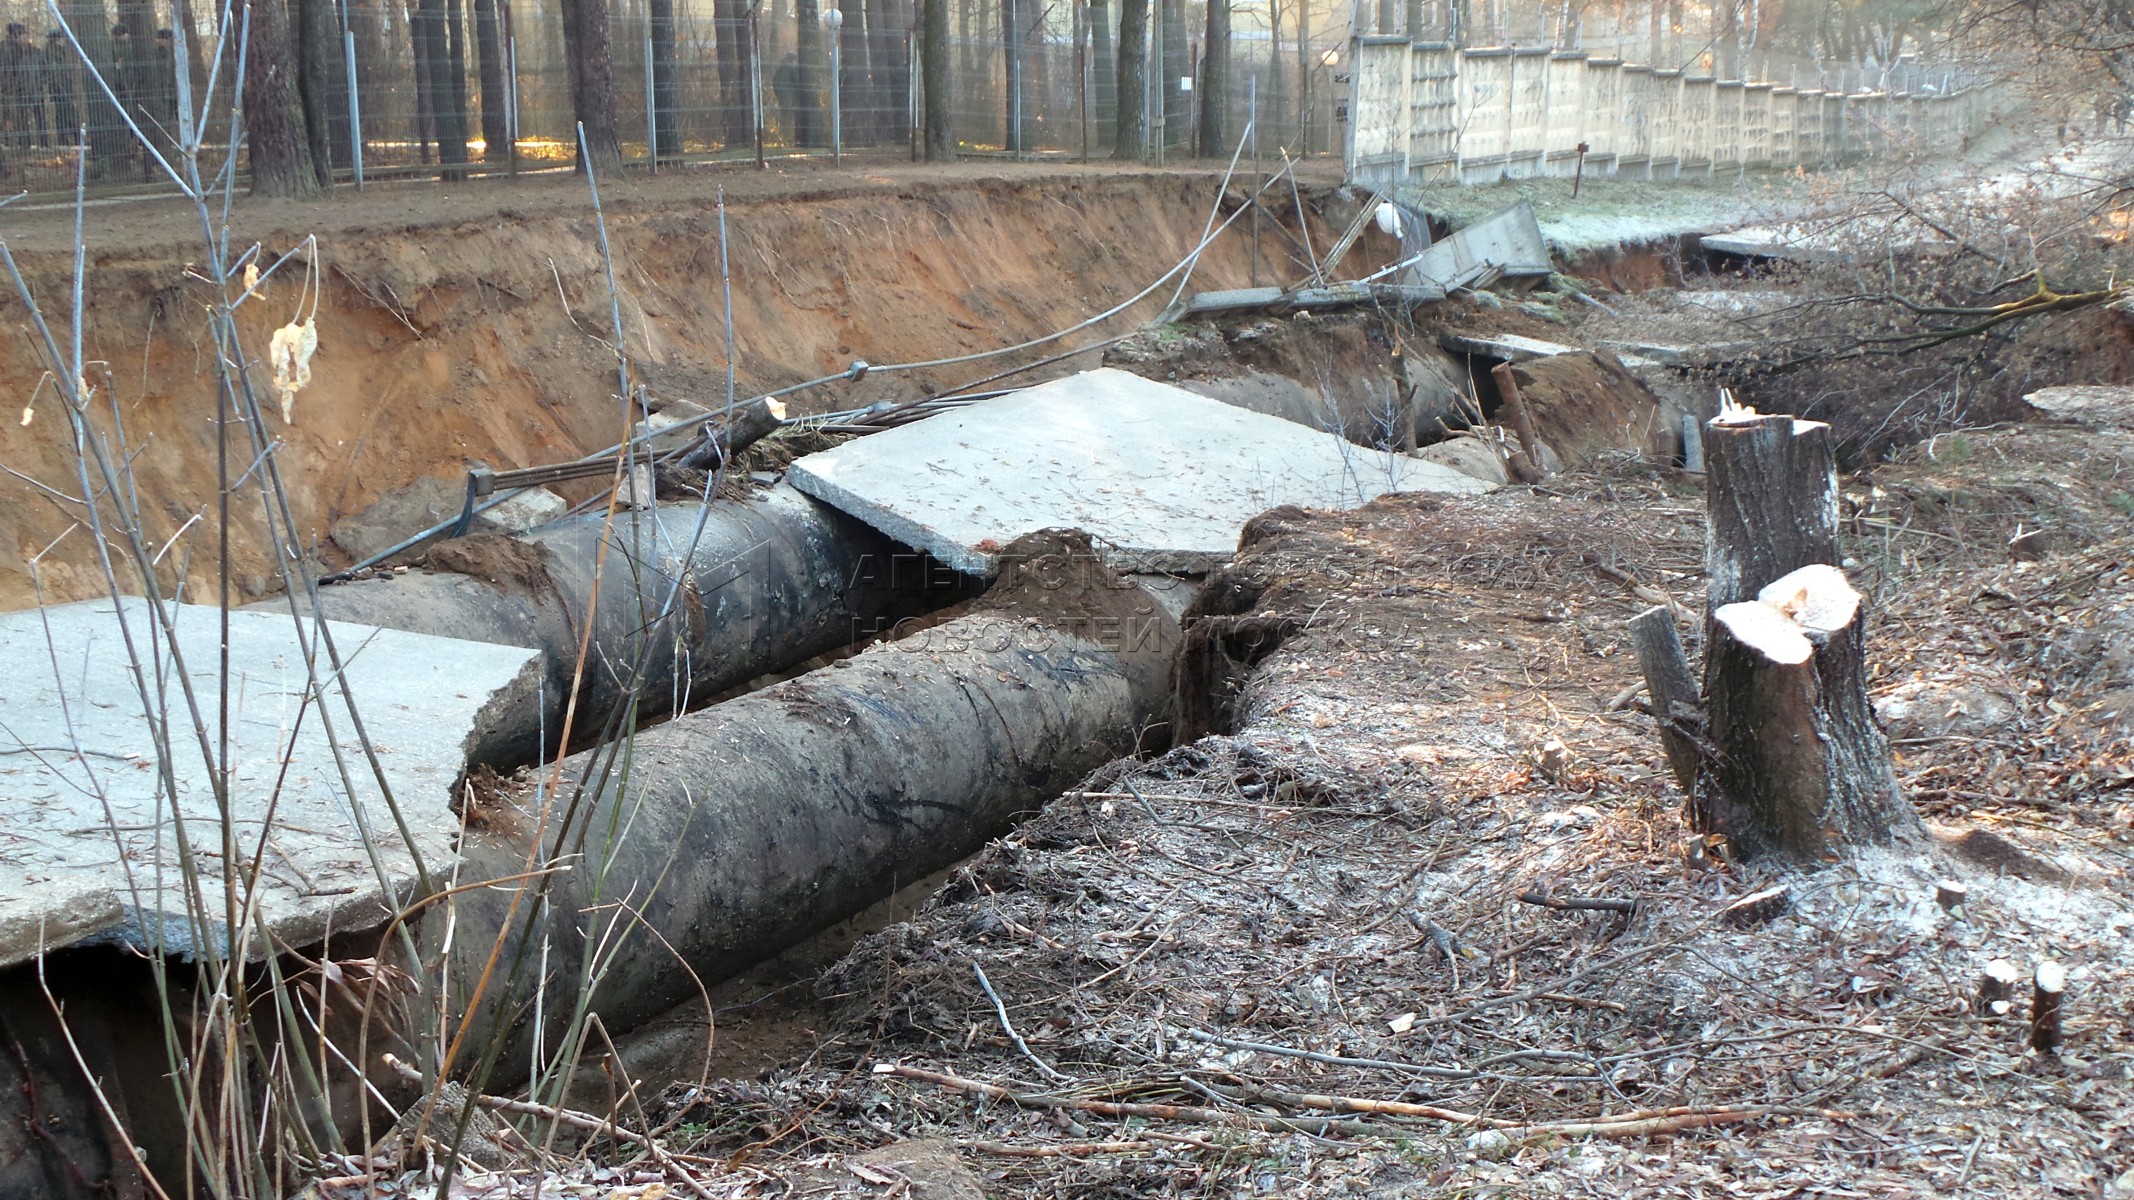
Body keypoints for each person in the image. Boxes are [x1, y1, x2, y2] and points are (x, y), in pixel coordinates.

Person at [1, 23, 46, 149]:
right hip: (12, 90)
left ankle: (40, 144)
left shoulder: (33, 51)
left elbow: (44, 70)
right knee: (13, 117)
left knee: (36, 116)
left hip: (31, 88)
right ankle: (12, 145)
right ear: (14, 35)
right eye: (21, 34)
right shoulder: (6, 50)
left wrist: (40, 82)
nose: (24, 37)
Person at [44, 30, 77, 145]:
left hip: (63, 88)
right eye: (62, 38)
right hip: (60, 89)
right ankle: (67, 140)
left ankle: (68, 139)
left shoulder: (58, 51)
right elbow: (55, 73)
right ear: (57, 40)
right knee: (65, 114)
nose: (64, 41)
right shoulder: (53, 53)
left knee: (66, 114)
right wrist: (62, 89)